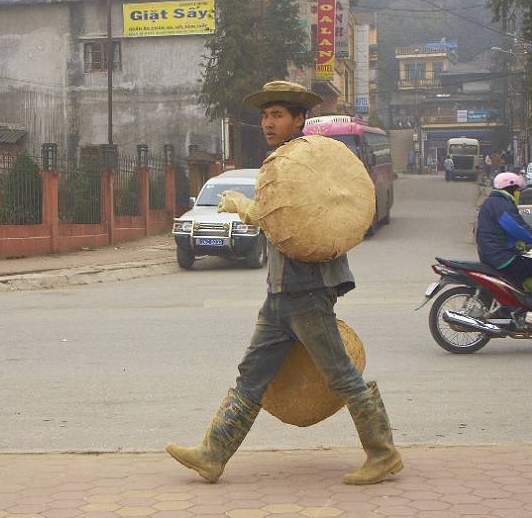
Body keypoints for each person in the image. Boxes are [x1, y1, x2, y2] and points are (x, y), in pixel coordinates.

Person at [165, 80, 403, 486]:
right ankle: (212, 454)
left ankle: (383, 452)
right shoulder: (282, 160)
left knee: (341, 374)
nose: (268, 123)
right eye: (265, 115)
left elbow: (289, 219)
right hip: (281, 292)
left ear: (299, 120)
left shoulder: (308, 161)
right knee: (252, 375)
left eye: (277, 115)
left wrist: (244, 207)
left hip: (306, 291)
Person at [476, 172, 532, 330]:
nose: (519, 193)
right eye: (518, 190)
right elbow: (520, 230)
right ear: (511, 188)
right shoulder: (502, 204)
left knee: (525, 268)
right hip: (500, 256)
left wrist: (526, 244)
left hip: (493, 253)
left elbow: (510, 232)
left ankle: (517, 310)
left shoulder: (493, 202)